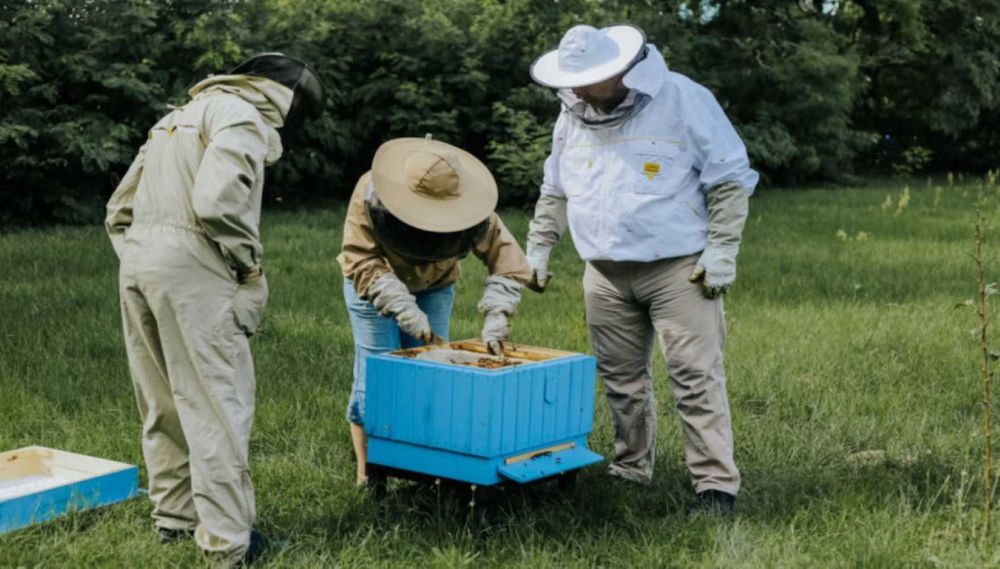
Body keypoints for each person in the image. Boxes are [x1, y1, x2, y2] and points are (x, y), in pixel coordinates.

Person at [525, 24, 758, 513]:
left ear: (621, 70)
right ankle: (630, 469)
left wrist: (721, 250)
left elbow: (731, 178)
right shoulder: (571, 115)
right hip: (604, 272)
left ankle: (715, 485)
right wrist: (539, 248)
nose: (579, 90)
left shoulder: (684, 99)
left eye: (590, 79)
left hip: (677, 269)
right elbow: (557, 189)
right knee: (621, 381)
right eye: (574, 81)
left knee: (695, 377)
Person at [105, 53, 325, 564]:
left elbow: (119, 209)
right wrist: (248, 264)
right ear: (284, 100)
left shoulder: (174, 117)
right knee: (217, 405)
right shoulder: (243, 116)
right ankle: (229, 544)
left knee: (161, 400)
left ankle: (175, 519)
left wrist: (144, 256)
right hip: (195, 265)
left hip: (138, 262)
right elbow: (216, 203)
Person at [337, 136, 531, 486]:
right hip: (372, 283)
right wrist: (401, 307)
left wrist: (498, 314)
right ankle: (369, 475)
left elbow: (509, 262)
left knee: (431, 372)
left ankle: (421, 466)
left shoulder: (475, 208)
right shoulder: (368, 190)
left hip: (436, 286)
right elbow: (360, 257)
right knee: (378, 374)